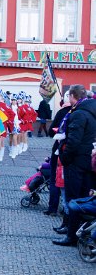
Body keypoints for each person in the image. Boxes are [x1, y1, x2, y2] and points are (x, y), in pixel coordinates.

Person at [53, 84, 96, 246]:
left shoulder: (79, 114)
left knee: (73, 198)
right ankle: (78, 230)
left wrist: (64, 157)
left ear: (72, 96)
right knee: (84, 197)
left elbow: (73, 141)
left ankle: (72, 235)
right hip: (88, 160)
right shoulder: (91, 110)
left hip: (77, 161)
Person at [44, 92, 71, 216]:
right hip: (74, 152)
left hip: (60, 150)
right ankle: (67, 209)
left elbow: (51, 132)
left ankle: (53, 207)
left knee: (56, 178)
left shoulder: (63, 112)